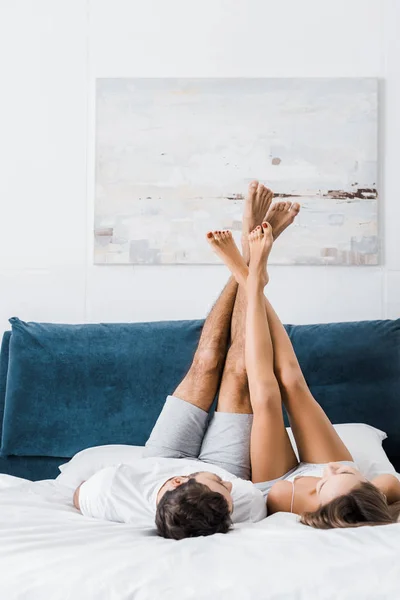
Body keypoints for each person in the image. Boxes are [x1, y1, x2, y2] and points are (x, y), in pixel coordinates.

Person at [73, 181, 301, 539]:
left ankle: (247, 251)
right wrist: (223, 480)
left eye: (223, 488)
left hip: (163, 456)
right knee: (239, 374)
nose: (231, 488)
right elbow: (242, 488)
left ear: (178, 481)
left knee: (208, 360)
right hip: (222, 463)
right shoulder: (241, 501)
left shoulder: (114, 491)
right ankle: (252, 259)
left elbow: (77, 493)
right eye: (228, 491)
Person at [207, 217, 400, 530]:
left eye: (325, 483)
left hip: (279, 479)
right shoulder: (376, 491)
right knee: (294, 383)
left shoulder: (289, 498)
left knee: (267, 397)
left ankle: (248, 276)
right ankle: (248, 277)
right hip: (343, 494)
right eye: (347, 474)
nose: (330, 470)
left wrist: (322, 488)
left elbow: (278, 490)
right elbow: (387, 480)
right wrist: (352, 479)